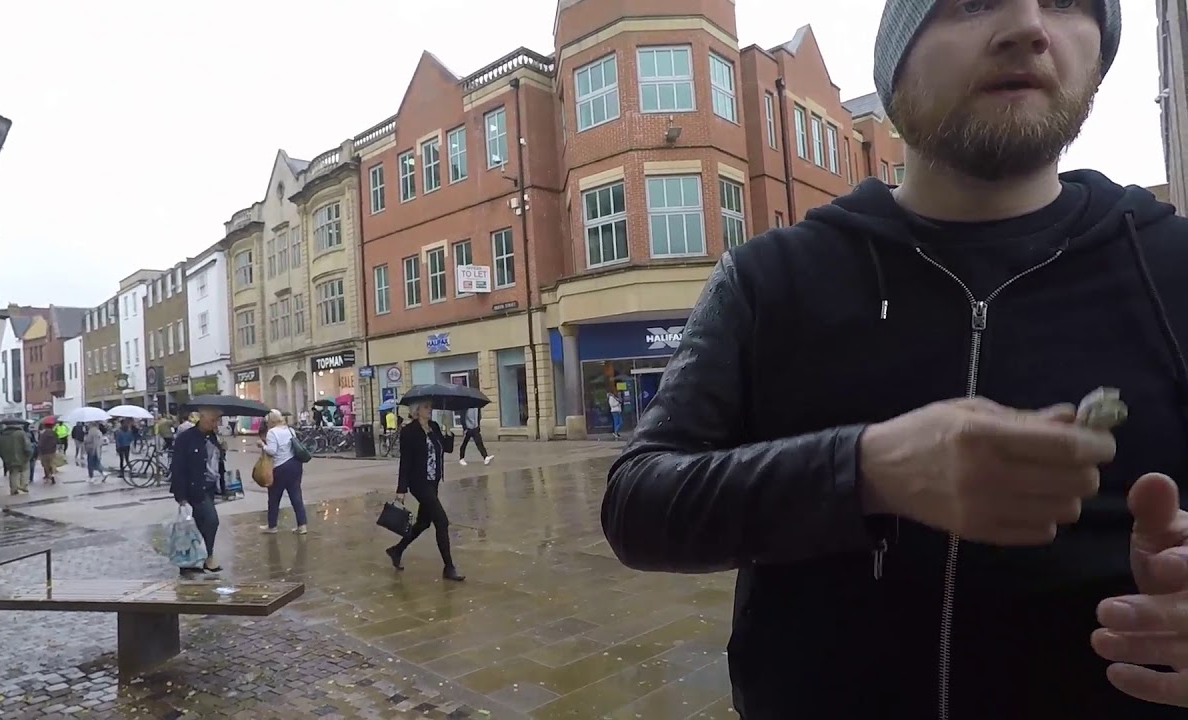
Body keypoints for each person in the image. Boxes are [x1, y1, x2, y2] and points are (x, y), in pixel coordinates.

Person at [603, 1, 1188, 717]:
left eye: (1067, 3)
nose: (1029, 28)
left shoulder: (1173, 266)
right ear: (895, 62)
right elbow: (637, 503)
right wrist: (865, 471)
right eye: (972, 3)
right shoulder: (769, 278)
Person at [386, 399, 464, 581]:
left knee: (423, 523)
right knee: (442, 521)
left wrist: (447, 430)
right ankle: (449, 567)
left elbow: (447, 449)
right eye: (426, 407)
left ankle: (397, 550)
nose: (430, 410)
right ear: (417, 410)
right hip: (419, 483)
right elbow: (405, 462)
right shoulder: (409, 431)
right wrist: (401, 489)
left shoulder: (434, 427)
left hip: (433, 482)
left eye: (430, 406)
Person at [169, 405, 225, 578]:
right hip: (194, 488)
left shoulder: (213, 437)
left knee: (199, 524)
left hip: (209, 487)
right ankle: (207, 556)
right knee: (211, 520)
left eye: (217, 420)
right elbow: (178, 467)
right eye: (212, 420)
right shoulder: (186, 438)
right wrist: (181, 497)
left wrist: (222, 450)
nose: (215, 424)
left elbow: (215, 462)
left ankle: (192, 561)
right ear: (201, 417)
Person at [259, 409, 307, 535]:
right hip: (295, 465)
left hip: (280, 467)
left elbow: (272, 451)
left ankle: (272, 526)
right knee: (296, 496)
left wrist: (262, 446)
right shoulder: (290, 430)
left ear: (271, 420)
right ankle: (302, 525)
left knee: (274, 497)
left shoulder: (272, 433)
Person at [0, 421, 33, 495]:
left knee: (13, 473)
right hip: (22, 457)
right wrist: (29, 454)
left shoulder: (2, 434)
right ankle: (23, 485)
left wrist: (4, 457)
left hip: (9, 458)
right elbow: (27, 445)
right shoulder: (21, 433)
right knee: (25, 470)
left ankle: (13, 489)